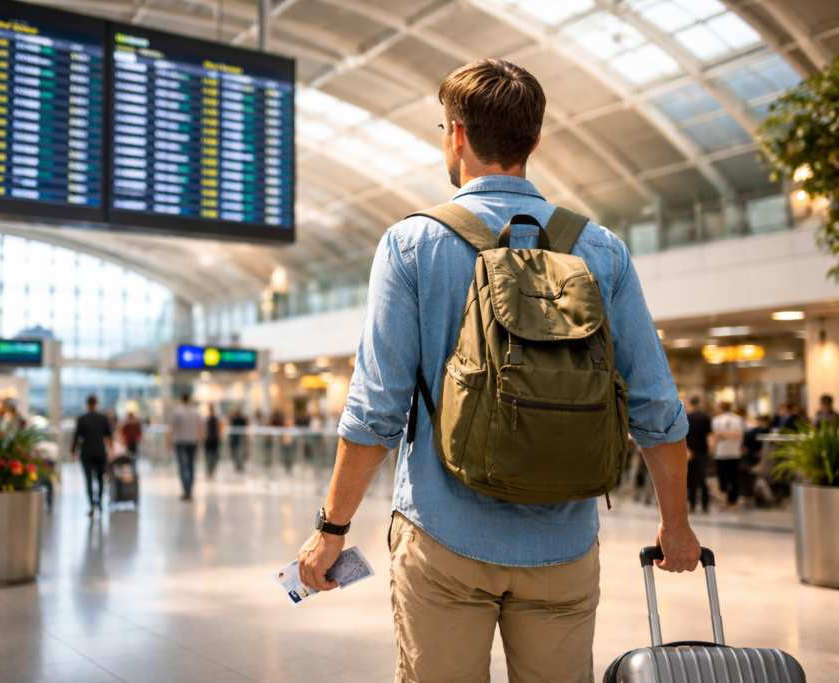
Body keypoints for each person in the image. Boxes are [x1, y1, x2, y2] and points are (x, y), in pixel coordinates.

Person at [296, 59, 700, 683]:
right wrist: (676, 525)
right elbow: (656, 408)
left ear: (456, 134)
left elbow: (375, 412)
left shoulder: (411, 245)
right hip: (563, 544)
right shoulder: (601, 249)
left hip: (444, 537)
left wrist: (332, 529)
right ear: (534, 140)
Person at [71, 395, 112, 516]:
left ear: (87, 405)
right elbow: (109, 436)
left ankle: (91, 505)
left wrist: (73, 452)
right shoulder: (103, 418)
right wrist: (111, 450)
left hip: (86, 452)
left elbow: (76, 437)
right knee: (100, 479)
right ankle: (100, 504)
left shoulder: (82, 419)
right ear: (96, 404)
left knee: (89, 480)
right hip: (100, 452)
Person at [710, 401, 745, 511]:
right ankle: (733, 501)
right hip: (733, 451)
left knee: (723, 477)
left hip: (722, 452)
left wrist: (713, 447)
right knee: (733, 477)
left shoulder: (717, 420)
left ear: (720, 409)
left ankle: (726, 500)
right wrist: (730, 435)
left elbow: (716, 436)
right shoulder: (738, 419)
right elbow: (739, 434)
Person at [167, 393, 200, 501]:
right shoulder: (196, 411)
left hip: (180, 442)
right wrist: (199, 439)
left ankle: (186, 490)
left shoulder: (177, 411)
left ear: (181, 399)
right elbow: (201, 426)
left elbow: (172, 427)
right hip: (193, 441)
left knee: (182, 467)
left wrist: (168, 442)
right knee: (191, 467)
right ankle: (189, 490)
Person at [684, 396, 712, 512]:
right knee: (702, 476)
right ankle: (705, 504)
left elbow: (684, 435)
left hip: (690, 450)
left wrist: (687, 449)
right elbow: (709, 434)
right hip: (702, 449)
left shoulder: (687, 417)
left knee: (691, 477)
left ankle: (692, 503)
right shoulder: (705, 416)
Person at [202, 404, 221, 478]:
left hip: (210, 439)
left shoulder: (208, 419)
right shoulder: (215, 419)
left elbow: (204, 429)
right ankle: (210, 470)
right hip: (214, 439)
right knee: (213, 455)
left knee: (209, 456)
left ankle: (209, 470)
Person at [229, 407, 248, 473]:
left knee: (238, 453)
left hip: (238, 439)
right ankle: (238, 466)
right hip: (236, 439)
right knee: (237, 453)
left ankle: (239, 466)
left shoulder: (237, 419)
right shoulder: (234, 419)